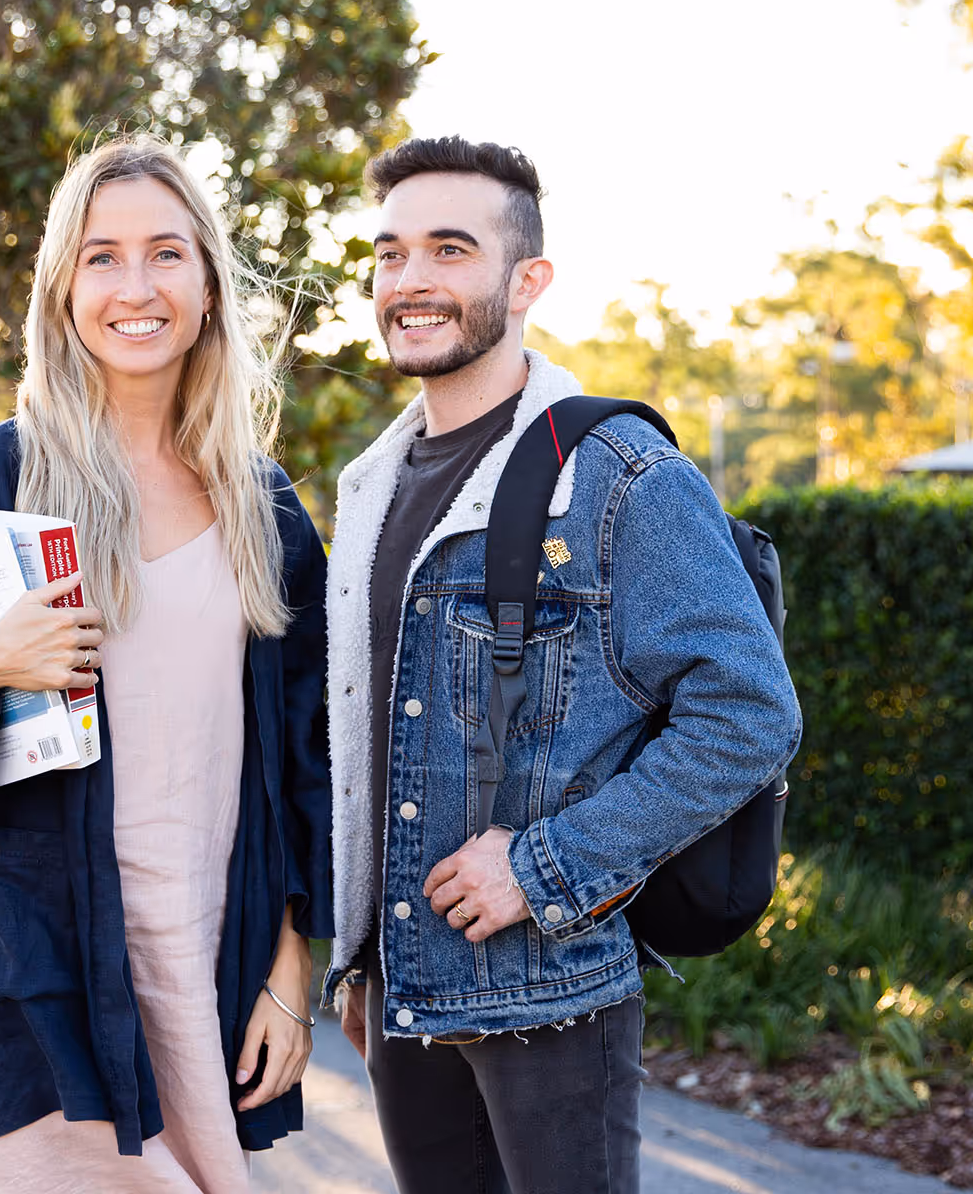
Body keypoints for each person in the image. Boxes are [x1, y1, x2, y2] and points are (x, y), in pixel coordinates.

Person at [0, 135, 332, 1193]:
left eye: (165, 252)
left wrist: (295, 970)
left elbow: (310, 768)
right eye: (101, 256)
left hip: (213, 957)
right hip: (42, 975)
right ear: (63, 288)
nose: (135, 285)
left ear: (207, 282)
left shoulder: (266, 510)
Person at [321, 136, 803, 1193]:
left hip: (547, 992)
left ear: (526, 278)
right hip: (408, 991)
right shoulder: (374, 483)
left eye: (451, 249)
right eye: (391, 252)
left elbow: (750, 713)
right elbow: (371, 739)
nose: (412, 280)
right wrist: (362, 953)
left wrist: (541, 867)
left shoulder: (619, 476)